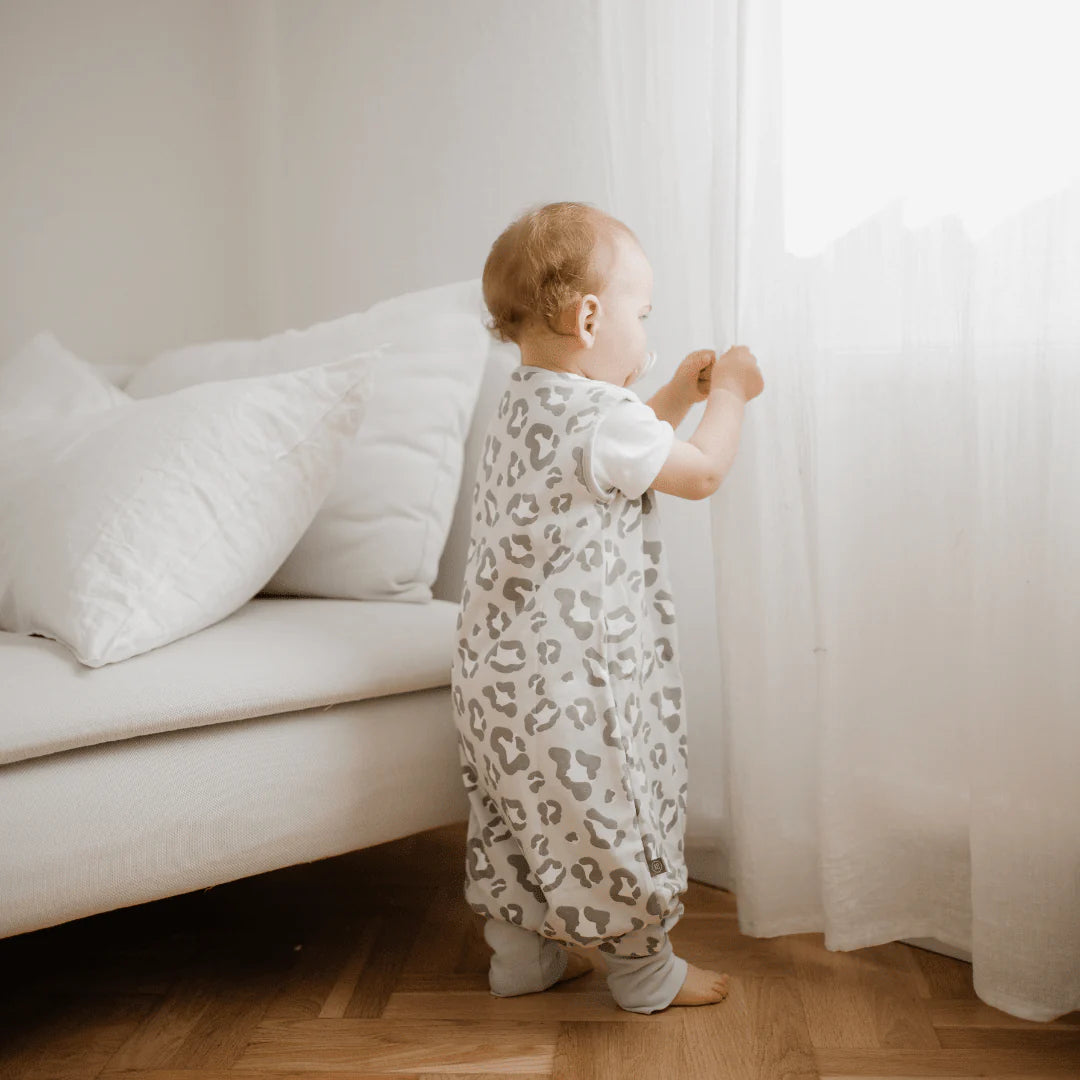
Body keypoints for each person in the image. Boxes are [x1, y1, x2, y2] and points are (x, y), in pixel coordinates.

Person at [450, 200, 764, 1014]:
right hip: (574, 690)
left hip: (493, 682)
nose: (647, 330)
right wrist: (730, 396)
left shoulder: (524, 403)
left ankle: (522, 960)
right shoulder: (603, 418)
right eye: (642, 313)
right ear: (590, 318)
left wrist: (671, 396)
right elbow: (697, 472)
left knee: (518, 820)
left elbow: (619, 454)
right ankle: (645, 971)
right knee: (608, 813)